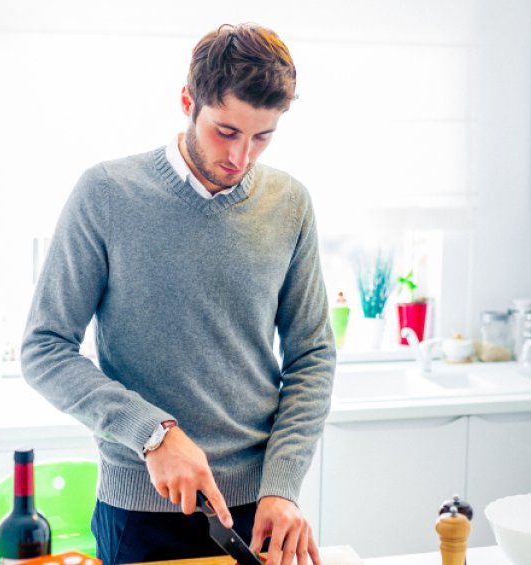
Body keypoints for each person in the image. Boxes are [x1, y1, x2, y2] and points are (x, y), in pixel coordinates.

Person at [21, 22, 335, 565]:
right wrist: (153, 434)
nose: (242, 157)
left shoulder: (290, 203)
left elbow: (312, 355)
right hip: (142, 511)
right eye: (226, 131)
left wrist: (283, 484)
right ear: (188, 101)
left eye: (262, 137)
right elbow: (44, 348)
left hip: (260, 513)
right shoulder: (107, 194)